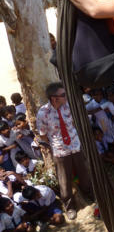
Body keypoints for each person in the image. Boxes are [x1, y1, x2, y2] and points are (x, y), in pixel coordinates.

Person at [36, 82, 93, 220]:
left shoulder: (69, 106)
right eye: (63, 95)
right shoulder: (43, 113)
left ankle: (90, 194)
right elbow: (42, 134)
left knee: (83, 172)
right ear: (54, 98)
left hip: (75, 146)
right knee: (64, 180)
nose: (66, 96)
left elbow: (74, 123)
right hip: (60, 152)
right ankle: (70, 207)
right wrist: (56, 145)